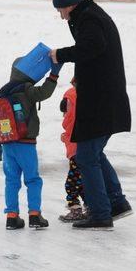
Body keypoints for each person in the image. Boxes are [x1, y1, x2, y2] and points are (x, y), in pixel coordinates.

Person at [49, 0, 133, 230]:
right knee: (93, 153)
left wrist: (60, 54)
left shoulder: (89, 19)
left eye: (60, 10)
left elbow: (92, 47)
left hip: (100, 100)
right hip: (103, 96)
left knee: (85, 156)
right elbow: (96, 54)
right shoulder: (90, 15)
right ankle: (116, 203)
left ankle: (100, 213)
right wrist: (81, 75)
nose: (61, 16)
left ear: (69, 6)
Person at [0, 57, 62, 230]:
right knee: (33, 179)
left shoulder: (3, 92)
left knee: (11, 180)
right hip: (25, 144)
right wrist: (54, 75)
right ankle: (34, 215)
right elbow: (44, 93)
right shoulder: (26, 89)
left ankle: (12, 217)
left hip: (7, 144)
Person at [58, 77, 87, 222]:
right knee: (82, 183)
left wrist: (66, 136)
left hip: (76, 153)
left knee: (71, 184)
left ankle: (75, 210)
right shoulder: (86, 96)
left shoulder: (71, 95)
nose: (64, 115)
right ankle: (91, 207)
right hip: (83, 149)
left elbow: (70, 119)